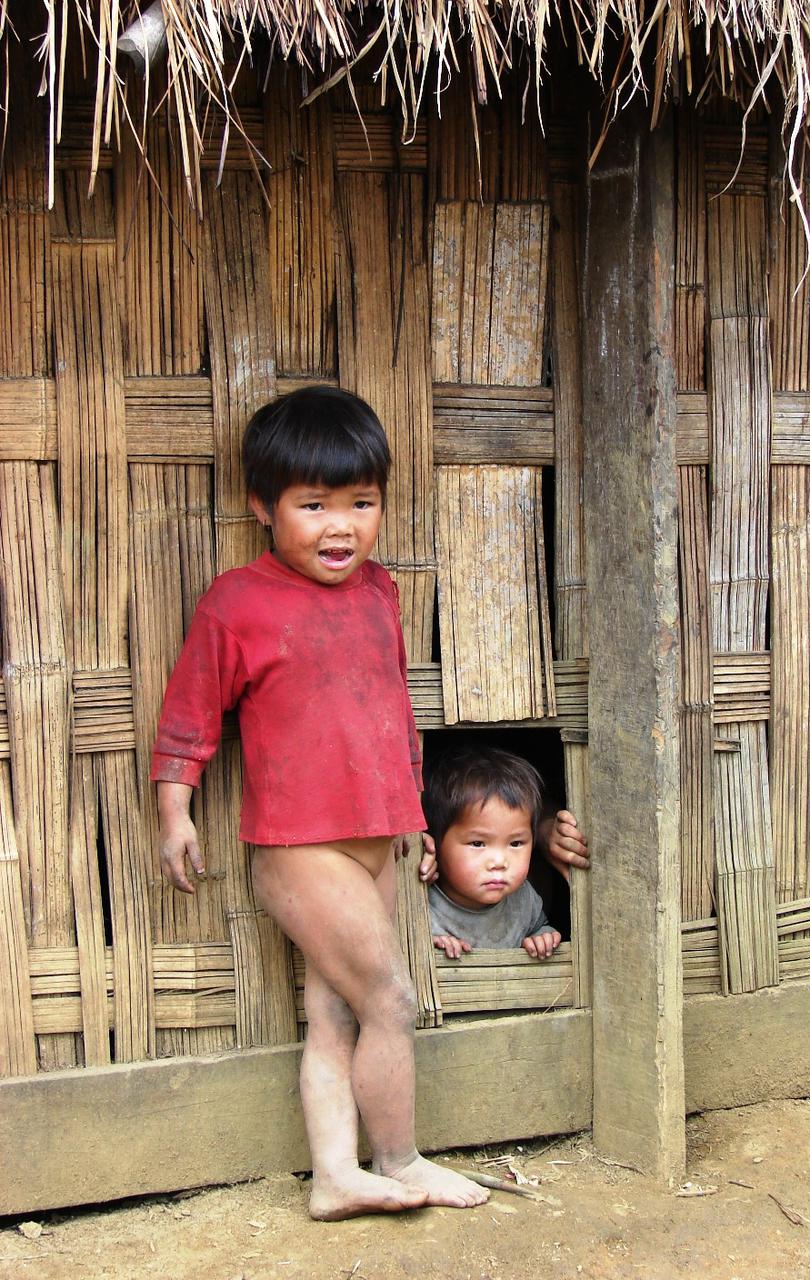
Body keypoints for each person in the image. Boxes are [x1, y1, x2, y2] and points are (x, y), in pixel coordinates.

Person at [151, 387, 488, 1221]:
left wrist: (412, 814)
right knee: (391, 1001)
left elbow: (395, 709)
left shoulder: (380, 592)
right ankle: (402, 1160)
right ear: (263, 506)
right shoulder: (237, 602)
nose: (340, 526)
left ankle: (337, 1176)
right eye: (313, 506)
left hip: (378, 832)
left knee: (335, 1010)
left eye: (361, 504)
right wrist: (174, 810)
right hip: (302, 845)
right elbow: (192, 713)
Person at [421, 747, 588, 959]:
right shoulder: (424, 903)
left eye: (516, 843)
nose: (499, 862)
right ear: (434, 843)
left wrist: (542, 937)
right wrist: (432, 942)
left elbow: (539, 927)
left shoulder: (523, 899)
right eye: (478, 843)